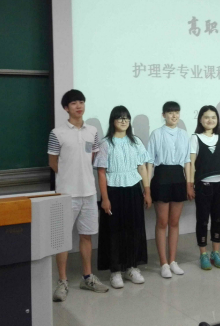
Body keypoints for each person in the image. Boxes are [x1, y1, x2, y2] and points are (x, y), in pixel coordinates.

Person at [48, 90, 109, 302]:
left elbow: (93, 157)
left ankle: (87, 277)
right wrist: (68, 176)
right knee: (62, 239)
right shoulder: (57, 133)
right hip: (66, 194)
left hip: (89, 192)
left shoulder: (92, 131)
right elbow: (53, 162)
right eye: (74, 103)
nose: (78, 106)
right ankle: (62, 281)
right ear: (66, 108)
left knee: (87, 236)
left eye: (81, 102)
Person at [94, 106, 152, 289]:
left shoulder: (136, 141)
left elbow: (142, 167)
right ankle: (115, 271)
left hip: (133, 189)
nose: (124, 121)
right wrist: (105, 198)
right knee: (114, 231)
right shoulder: (105, 144)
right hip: (113, 191)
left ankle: (132, 267)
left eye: (126, 118)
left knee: (134, 228)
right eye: (120, 118)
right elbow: (101, 172)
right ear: (113, 121)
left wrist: (147, 191)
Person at [147, 101, 190, 278]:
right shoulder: (156, 134)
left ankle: (173, 261)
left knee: (174, 222)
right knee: (162, 222)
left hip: (179, 178)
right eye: (170, 112)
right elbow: (150, 162)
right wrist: (147, 188)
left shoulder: (184, 134)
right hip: (162, 177)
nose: (174, 116)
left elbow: (187, 161)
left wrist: (189, 183)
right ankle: (163, 263)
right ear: (163, 115)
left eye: (176, 112)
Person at [188, 105, 220, 270]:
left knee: (218, 220)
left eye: (213, 117)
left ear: (217, 120)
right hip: (203, 186)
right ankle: (203, 254)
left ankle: (215, 253)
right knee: (202, 221)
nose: (210, 120)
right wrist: (190, 184)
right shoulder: (195, 138)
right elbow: (191, 164)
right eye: (206, 117)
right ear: (200, 119)